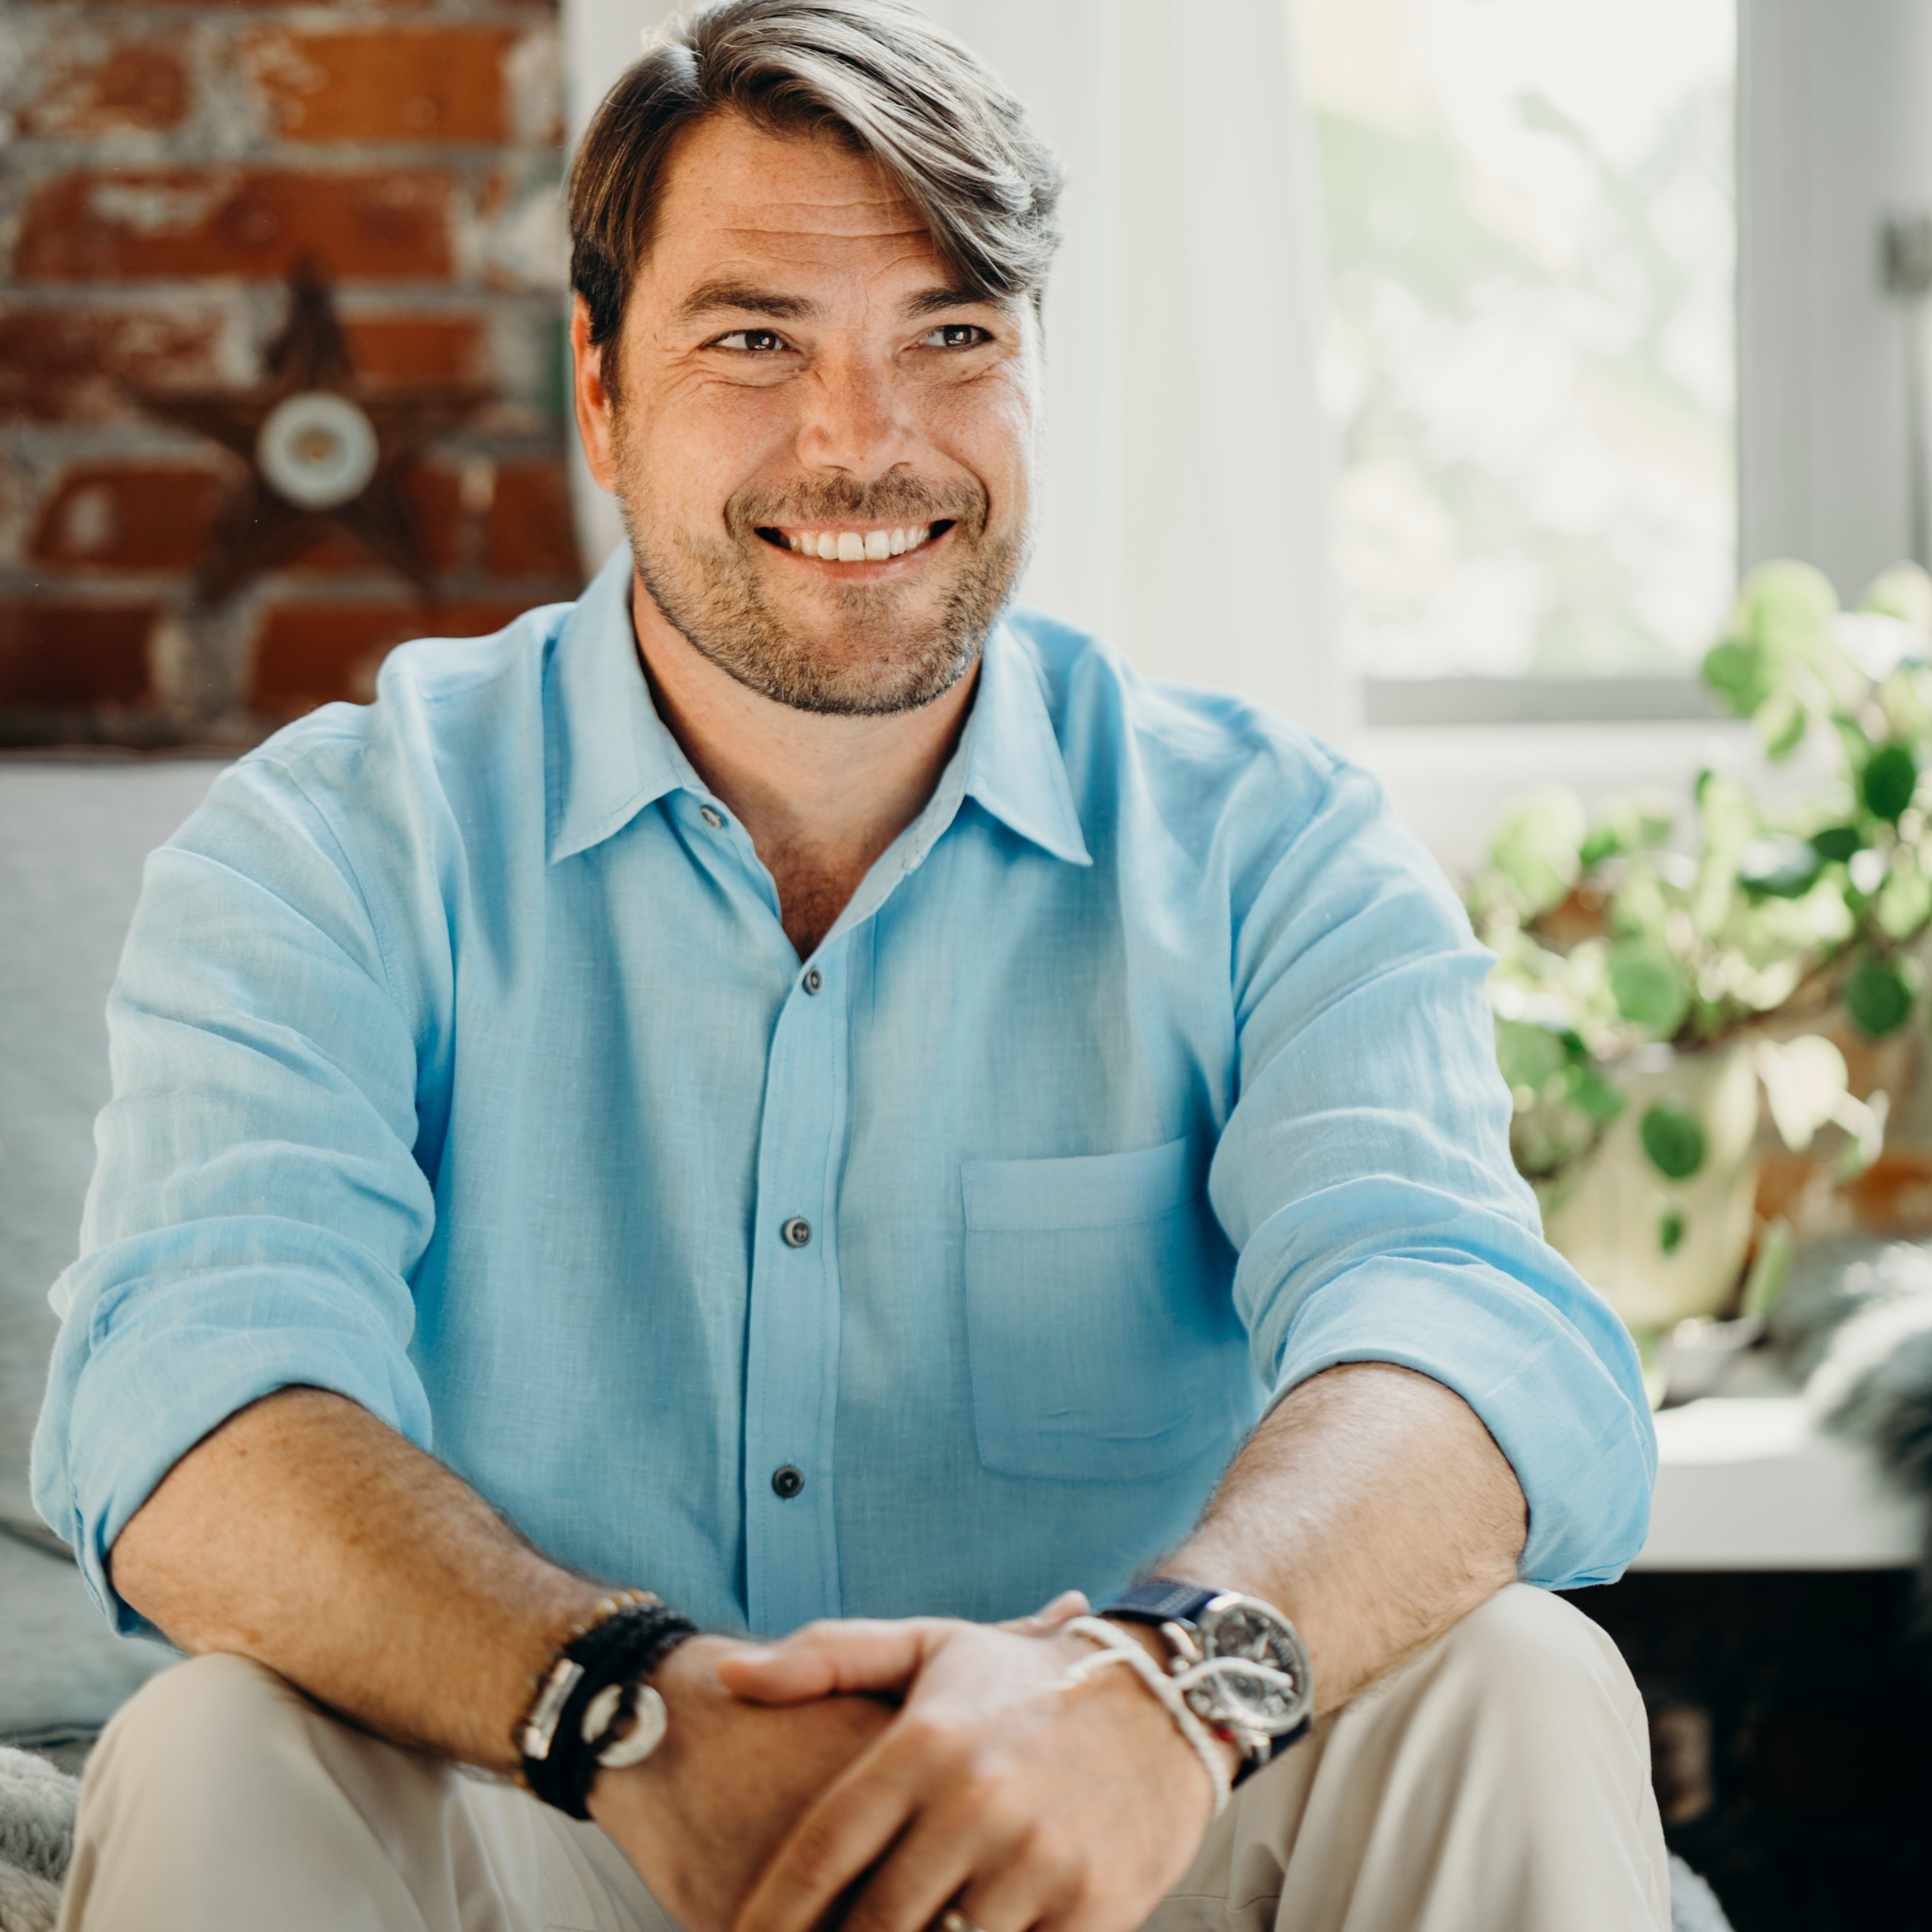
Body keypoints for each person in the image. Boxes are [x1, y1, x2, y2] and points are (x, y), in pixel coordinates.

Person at [33, 3, 1667, 1928]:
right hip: (552, 1802)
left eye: (951, 337)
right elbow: (192, 1401)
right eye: (753, 340)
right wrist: (620, 1707)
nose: (864, 441)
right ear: (600, 387)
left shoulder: (1271, 844)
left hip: (1128, 1820)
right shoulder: (336, 843)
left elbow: (1467, 1339)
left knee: (1517, 1679)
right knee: (212, 1743)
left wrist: (1161, 1683)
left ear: (1035, 370)